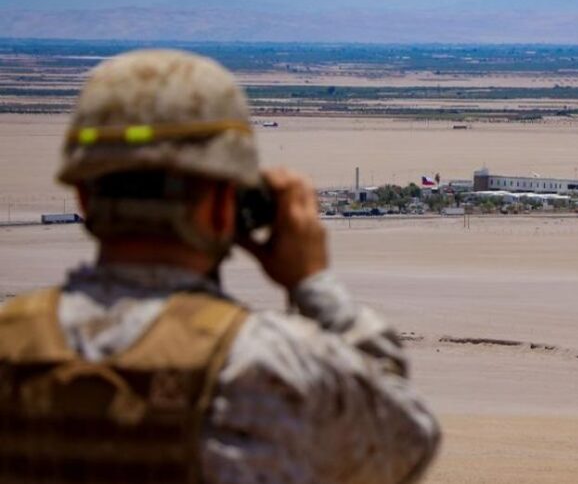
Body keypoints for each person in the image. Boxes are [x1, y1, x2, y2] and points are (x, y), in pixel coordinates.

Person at [0, 50, 440, 483]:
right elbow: (407, 440)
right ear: (222, 206)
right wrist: (313, 282)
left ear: (83, 199)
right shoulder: (268, 367)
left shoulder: (10, 343)